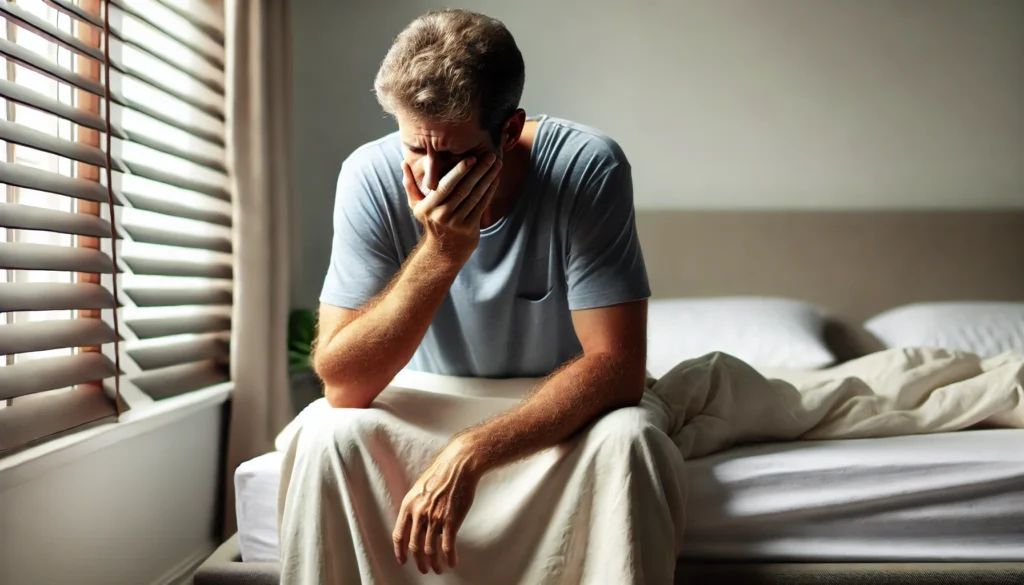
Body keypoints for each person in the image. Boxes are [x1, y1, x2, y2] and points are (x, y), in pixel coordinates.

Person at [278, 9, 687, 584]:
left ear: (509, 127)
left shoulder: (587, 168)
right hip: (423, 402)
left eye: (454, 155)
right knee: (326, 433)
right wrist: (442, 254)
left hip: (556, 413)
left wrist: (471, 451)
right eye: (415, 148)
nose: (432, 175)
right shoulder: (368, 176)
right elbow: (344, 384)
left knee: (632, 438)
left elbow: (616, 368)